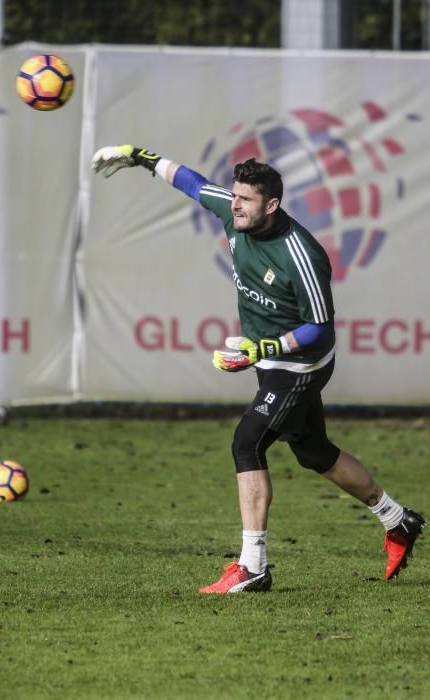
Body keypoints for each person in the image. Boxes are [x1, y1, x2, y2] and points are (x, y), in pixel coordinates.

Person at [91, 144, 426, 594]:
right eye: (234, 197)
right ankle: (396, 519)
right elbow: (191, 183)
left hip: (301, 364)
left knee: (246, 443)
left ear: (272, 205)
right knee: (314, 453)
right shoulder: (235, 215)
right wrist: (142, 158)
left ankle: (253, 566)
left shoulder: (301, 253)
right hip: (270, 360)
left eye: (246, 200)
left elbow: (320, 328)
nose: (235, 205)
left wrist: (266, 345)